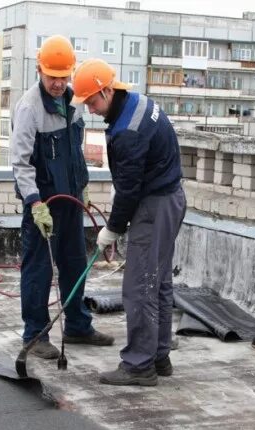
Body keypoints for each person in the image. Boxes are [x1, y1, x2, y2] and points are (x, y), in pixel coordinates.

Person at [71, 58, 186, 386]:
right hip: (170, 197)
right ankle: (159, 355)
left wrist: (112, 229)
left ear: (107, 90)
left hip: (155, 206)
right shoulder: (137, 103)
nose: (90, 109)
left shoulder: (127, 132)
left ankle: (139, 364)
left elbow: (130, 190)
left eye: (92, 101)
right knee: (158, 280)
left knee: (138, 286)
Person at [10, 36, 114, 360]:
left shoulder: (74, 103)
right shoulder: (29, 108)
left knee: (74, 263)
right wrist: (34, 203)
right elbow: (20, 163)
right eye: (52, 76)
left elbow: (75, 151)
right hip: (43, 206)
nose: (57, 83)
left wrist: (82, 185)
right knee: (39, 269)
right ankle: (36, 336)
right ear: (40, 70)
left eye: (63, 76)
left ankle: (78, 327)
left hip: (71, 201)